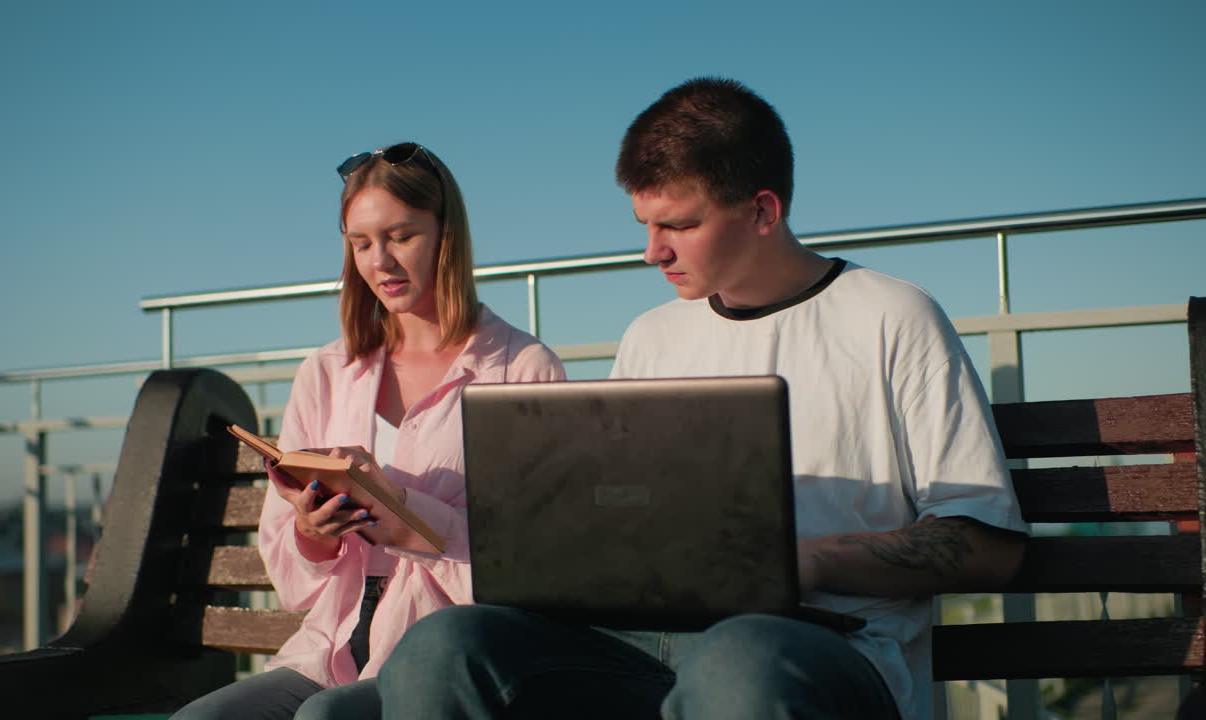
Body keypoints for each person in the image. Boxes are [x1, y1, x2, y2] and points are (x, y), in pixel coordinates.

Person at [374, 79, 1029, 719]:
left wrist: (799, 561)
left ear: (763, 211)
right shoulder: (653, 337)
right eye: (645, 224)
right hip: (642, 643)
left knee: (738, 657)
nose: (652, 252)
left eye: (679, 226)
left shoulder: (893, 317)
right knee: (445, 648)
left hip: (828, 644)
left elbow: (987, 545)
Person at [169, 142, 565, 720]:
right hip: (327, 650)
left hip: (442, 661)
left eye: (401, 236)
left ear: (446, 234)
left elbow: (534, 567)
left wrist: (401, 511)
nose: (380, 261)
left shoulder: (522, 369)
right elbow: (292, 583)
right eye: (361, 243)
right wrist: (313, 532)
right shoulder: (327, 372)